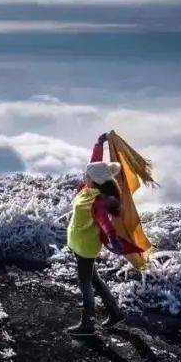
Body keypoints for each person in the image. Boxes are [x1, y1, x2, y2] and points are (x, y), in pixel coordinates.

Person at [65, 132, 143, 336]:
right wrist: (99, 145)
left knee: (85, 283)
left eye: (87, 175)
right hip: (80, 245)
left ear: (94, 180)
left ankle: (88, 323)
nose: (84, 176)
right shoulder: (86, 189)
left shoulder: (97, 200)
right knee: (94, 280)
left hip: (86, 247)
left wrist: (114, 240)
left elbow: (105, 223)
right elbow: (95, 164)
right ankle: (115, 314)